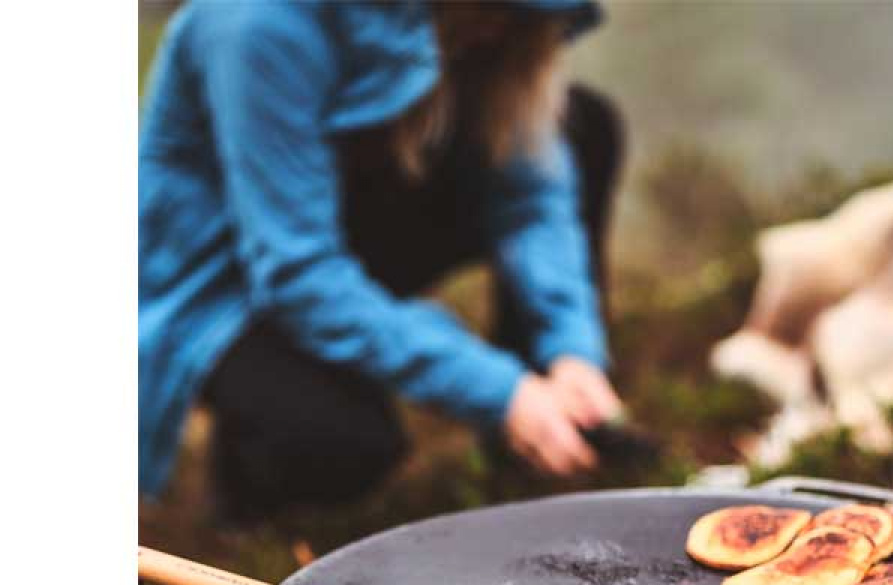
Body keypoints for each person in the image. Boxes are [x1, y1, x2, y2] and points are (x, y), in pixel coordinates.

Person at [139, 0, 624, 518]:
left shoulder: (483, 31)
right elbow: (298, 271)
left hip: (342, 224)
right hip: (221, 286)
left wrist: (572, 349)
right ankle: (249, 494)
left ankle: (547, 428)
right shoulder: (256, 25)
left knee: (584, 125)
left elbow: (529, 200)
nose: (497, 31)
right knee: (344, 444)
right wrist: (497, 389)